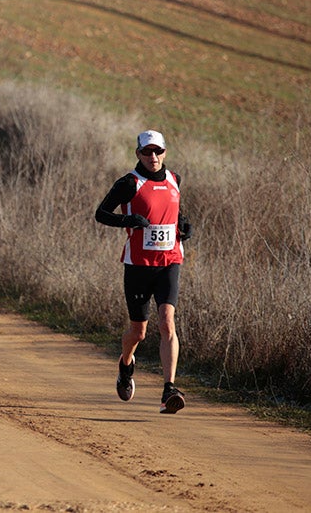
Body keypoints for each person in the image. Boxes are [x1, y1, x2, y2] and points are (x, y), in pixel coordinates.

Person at [94, 130, 193, 414]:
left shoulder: (175, 179)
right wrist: (128, 220)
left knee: (167, 321)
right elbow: (101, 213)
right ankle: (126, 364)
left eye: (158, 151)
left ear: (165, 152)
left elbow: (175, 212)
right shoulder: (129, 183)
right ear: (137, 153)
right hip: (138, 266)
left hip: (170, 262)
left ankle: (169, 389)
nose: (153, 157)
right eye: (147, 152)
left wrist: (185, 226)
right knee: (138, 332)